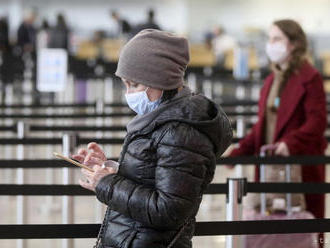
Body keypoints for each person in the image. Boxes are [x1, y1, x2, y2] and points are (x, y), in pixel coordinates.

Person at [72, 29, 232, 248]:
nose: (129, 93)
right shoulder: (161, 119)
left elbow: (168, 209)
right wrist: (109, 167)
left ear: (162, 80)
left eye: (135, 85)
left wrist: (107, 184)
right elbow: (152, 175)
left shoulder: (182, 132)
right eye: (125, 84)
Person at [228, 19, 327, 220]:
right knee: (273, 228)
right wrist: (238, 152)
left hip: (299, 165)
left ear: (294, 43)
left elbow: (317, 122)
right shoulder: (272, 80)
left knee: (303, 229)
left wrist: (290, 143)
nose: (271, 44)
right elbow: (262, 125)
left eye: (277, 39)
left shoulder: (310, 77)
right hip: (270, 166)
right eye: (270, 39)